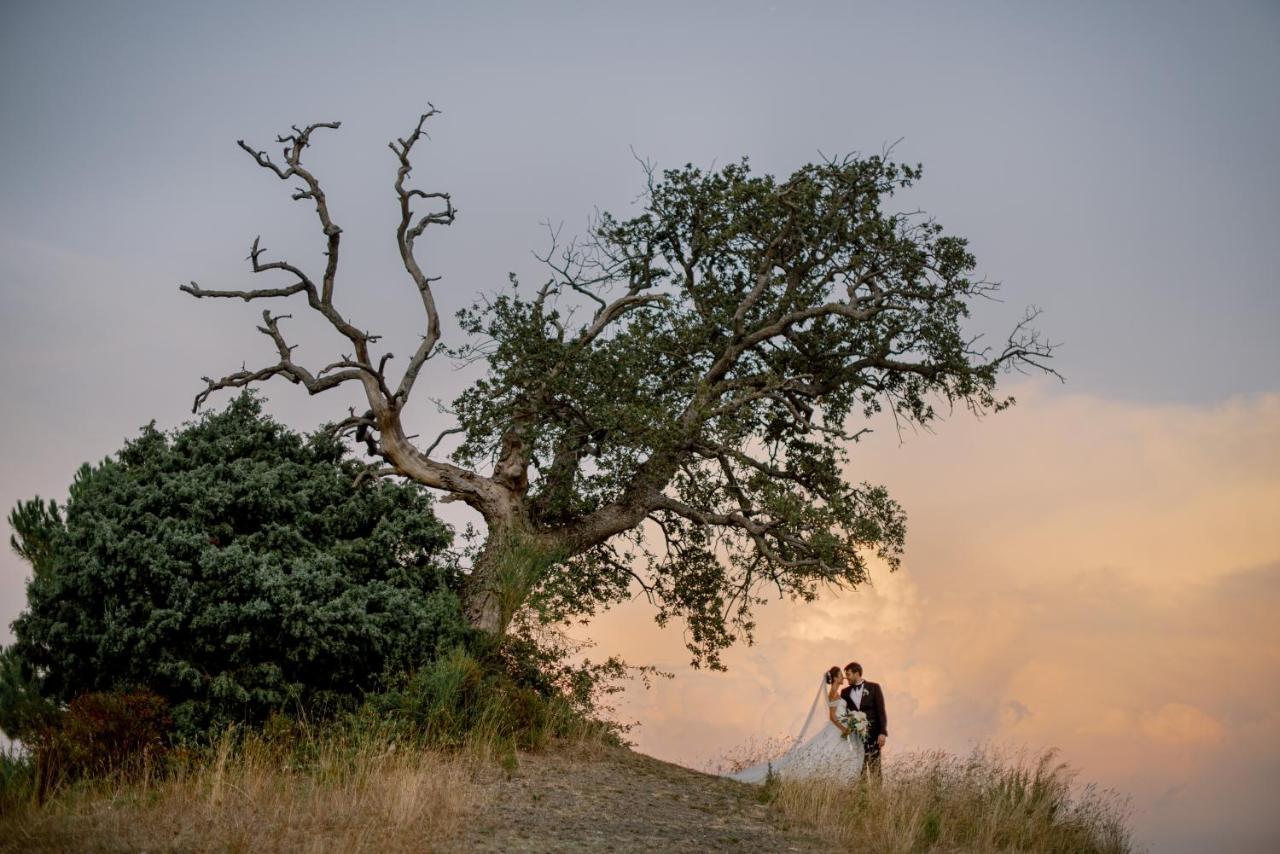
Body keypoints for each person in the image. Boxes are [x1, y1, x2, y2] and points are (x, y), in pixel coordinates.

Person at [726, 666, 863, 783]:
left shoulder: (836, 693)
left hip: (838, 729)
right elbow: (832, 717)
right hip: (836, 729)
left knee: (831, 754)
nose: (843, 678)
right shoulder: (833, 693)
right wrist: (844, 729)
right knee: (825, 753)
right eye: (840, 675)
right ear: (834, 678)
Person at [840, 662, 887, 782]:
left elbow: (881, 711)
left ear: (857, 673)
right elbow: (844, 714)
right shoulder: (844, 692)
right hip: (856, 737)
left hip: (873, 734)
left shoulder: (874, 687)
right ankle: (861, 795)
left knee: (875, 767)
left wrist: (882, 732)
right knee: (858, 768)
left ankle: (877, 797)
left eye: (848, 674)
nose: (846, 678)